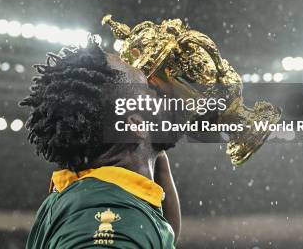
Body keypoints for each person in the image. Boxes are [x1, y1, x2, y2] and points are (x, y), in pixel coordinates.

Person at [19, 39, 181, 248]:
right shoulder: (111, 213)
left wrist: (154, 151)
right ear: (136, 124)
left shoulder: (90, 199)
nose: (161, 93)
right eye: (148, 88)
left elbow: (164, 231)